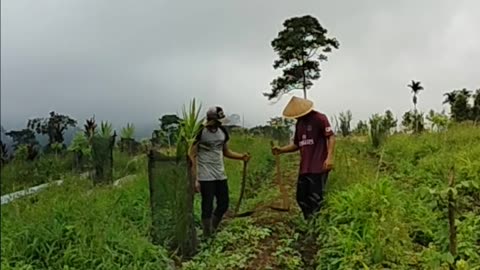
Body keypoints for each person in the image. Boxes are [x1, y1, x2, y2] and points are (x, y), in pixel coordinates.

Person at [189, 106, 250, 237]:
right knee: (207, 205)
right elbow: (192, 155)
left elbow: (226, 151)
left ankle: (213, 228)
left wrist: (241, 157)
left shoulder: (222, 132)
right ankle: (207, 233)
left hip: (220, 174)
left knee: (223, 203)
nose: (218, 124)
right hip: (205, 176)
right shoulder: (200, 132)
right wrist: (195, 179)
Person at [271, 96, 335, 220]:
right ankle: (309, 220)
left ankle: (316, 225)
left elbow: (331, 137)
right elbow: (297, 144)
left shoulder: (320, 118)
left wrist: (330, 157)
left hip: (319, 166)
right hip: (305, 167)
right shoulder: (299, 124)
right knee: (301, 197)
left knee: (315, 198)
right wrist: (281, 150)